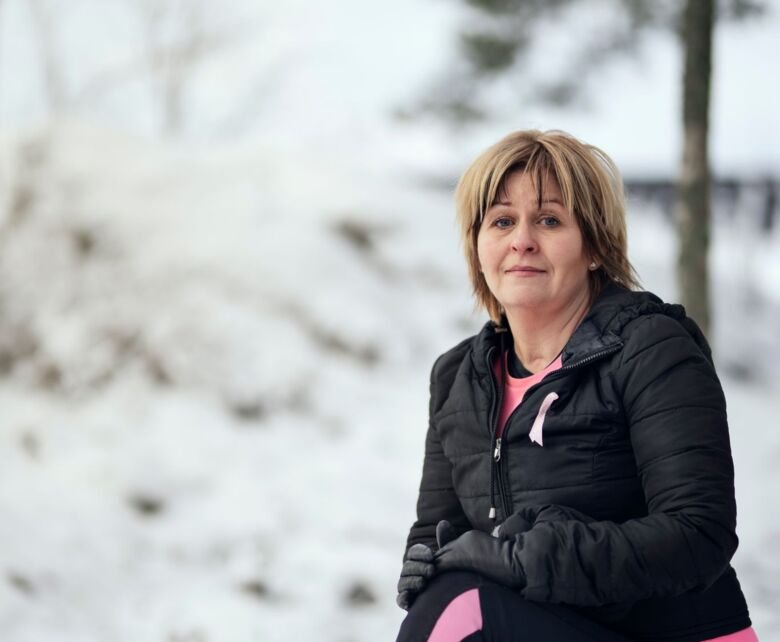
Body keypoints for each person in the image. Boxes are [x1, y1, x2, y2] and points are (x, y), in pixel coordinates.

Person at [395, 130, 757, 642]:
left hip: (674, 634)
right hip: (542, 625)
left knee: (461, 608)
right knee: (445, 597)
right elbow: (439, 532)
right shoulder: (458, 379)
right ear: (478, 247)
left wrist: (522, 560)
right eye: (502, 221)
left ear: (594, 248)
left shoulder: (650, 348)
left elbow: (699, 534)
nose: (522, 239)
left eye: (549, 220)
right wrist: (423, 564)